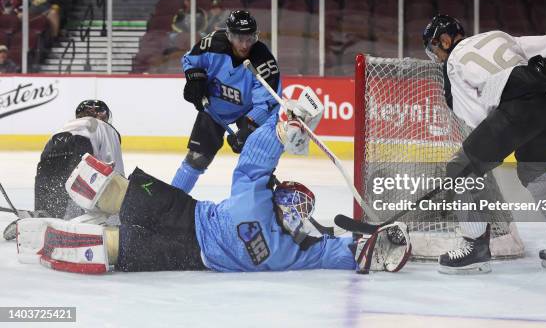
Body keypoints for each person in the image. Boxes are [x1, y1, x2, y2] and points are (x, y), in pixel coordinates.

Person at [16, 96, 411, 274]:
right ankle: (67, 239)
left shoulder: (258, 203)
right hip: (185, 255)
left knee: (122, 191)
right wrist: (372, 248)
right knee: (122, 249)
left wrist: (282, 127)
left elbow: (255, 161)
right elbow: (338, 253)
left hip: (187, 216)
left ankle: (70, 212)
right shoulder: (291, 252)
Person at [421, 14, 546, 274]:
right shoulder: (498, 35)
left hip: (518, 107)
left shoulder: (453, 64)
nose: (436, 56)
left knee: (460, 171)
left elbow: (476, 116)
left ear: (444, 40)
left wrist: (496, 138)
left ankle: (475, 248)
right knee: (537, 174)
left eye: (435, 48)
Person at [171, 10, 281, 194]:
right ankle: (171, 202)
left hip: (247, 112)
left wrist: (249, 128)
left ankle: (253, 208)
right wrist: (195, 79)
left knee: (256, 162)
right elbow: (190, 60)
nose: (245, 44)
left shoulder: (264, 61)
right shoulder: (213, 42)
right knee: (196, 158)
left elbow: (267, 103)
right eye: (239, 38)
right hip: (213, 108)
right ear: (229, 35)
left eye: (249, 38)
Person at [34, 99, 123, 220]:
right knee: (79, 195)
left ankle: (42, 215)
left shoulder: (67, 125)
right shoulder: (108, 128)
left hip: (52, 146)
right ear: (105, 115)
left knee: (52, 198)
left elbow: (45, 168)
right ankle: (77, 220)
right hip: (81, 146)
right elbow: (114, 169)